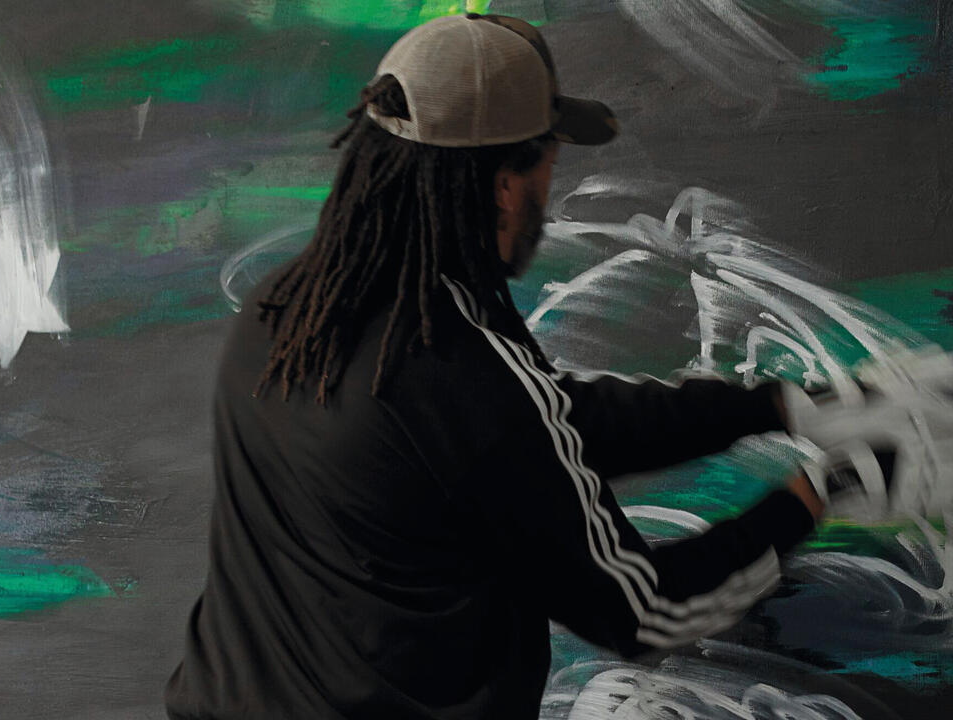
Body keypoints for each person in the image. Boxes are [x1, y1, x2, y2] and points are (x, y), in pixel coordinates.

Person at [165, 13, 836, 719]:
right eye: (548, 162)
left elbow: (550, 424)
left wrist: (773, 407)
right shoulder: (462, 372)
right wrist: (819, 493)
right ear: (505, 186)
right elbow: (648, 612)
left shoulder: (284, 312)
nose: (550, 192)